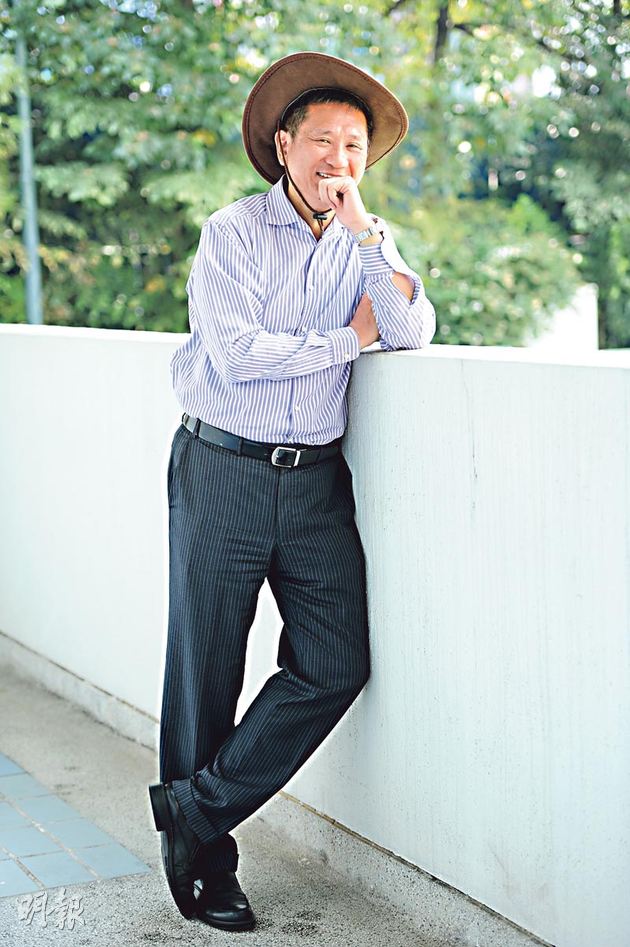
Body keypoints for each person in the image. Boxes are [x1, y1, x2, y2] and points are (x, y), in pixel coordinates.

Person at [148, 50, 436, 932]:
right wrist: (347, 341)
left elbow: (411, 330)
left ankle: (194, 808)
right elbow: (238, 357)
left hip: (316, 485)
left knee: (335, 661)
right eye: (322, 141)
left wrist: (368, 242)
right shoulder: (230, 233)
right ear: (284, 146)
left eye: (353, 146)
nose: (338, 160)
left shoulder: (365, 239)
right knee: (206, 670)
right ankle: (207, 867)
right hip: (222, 469)